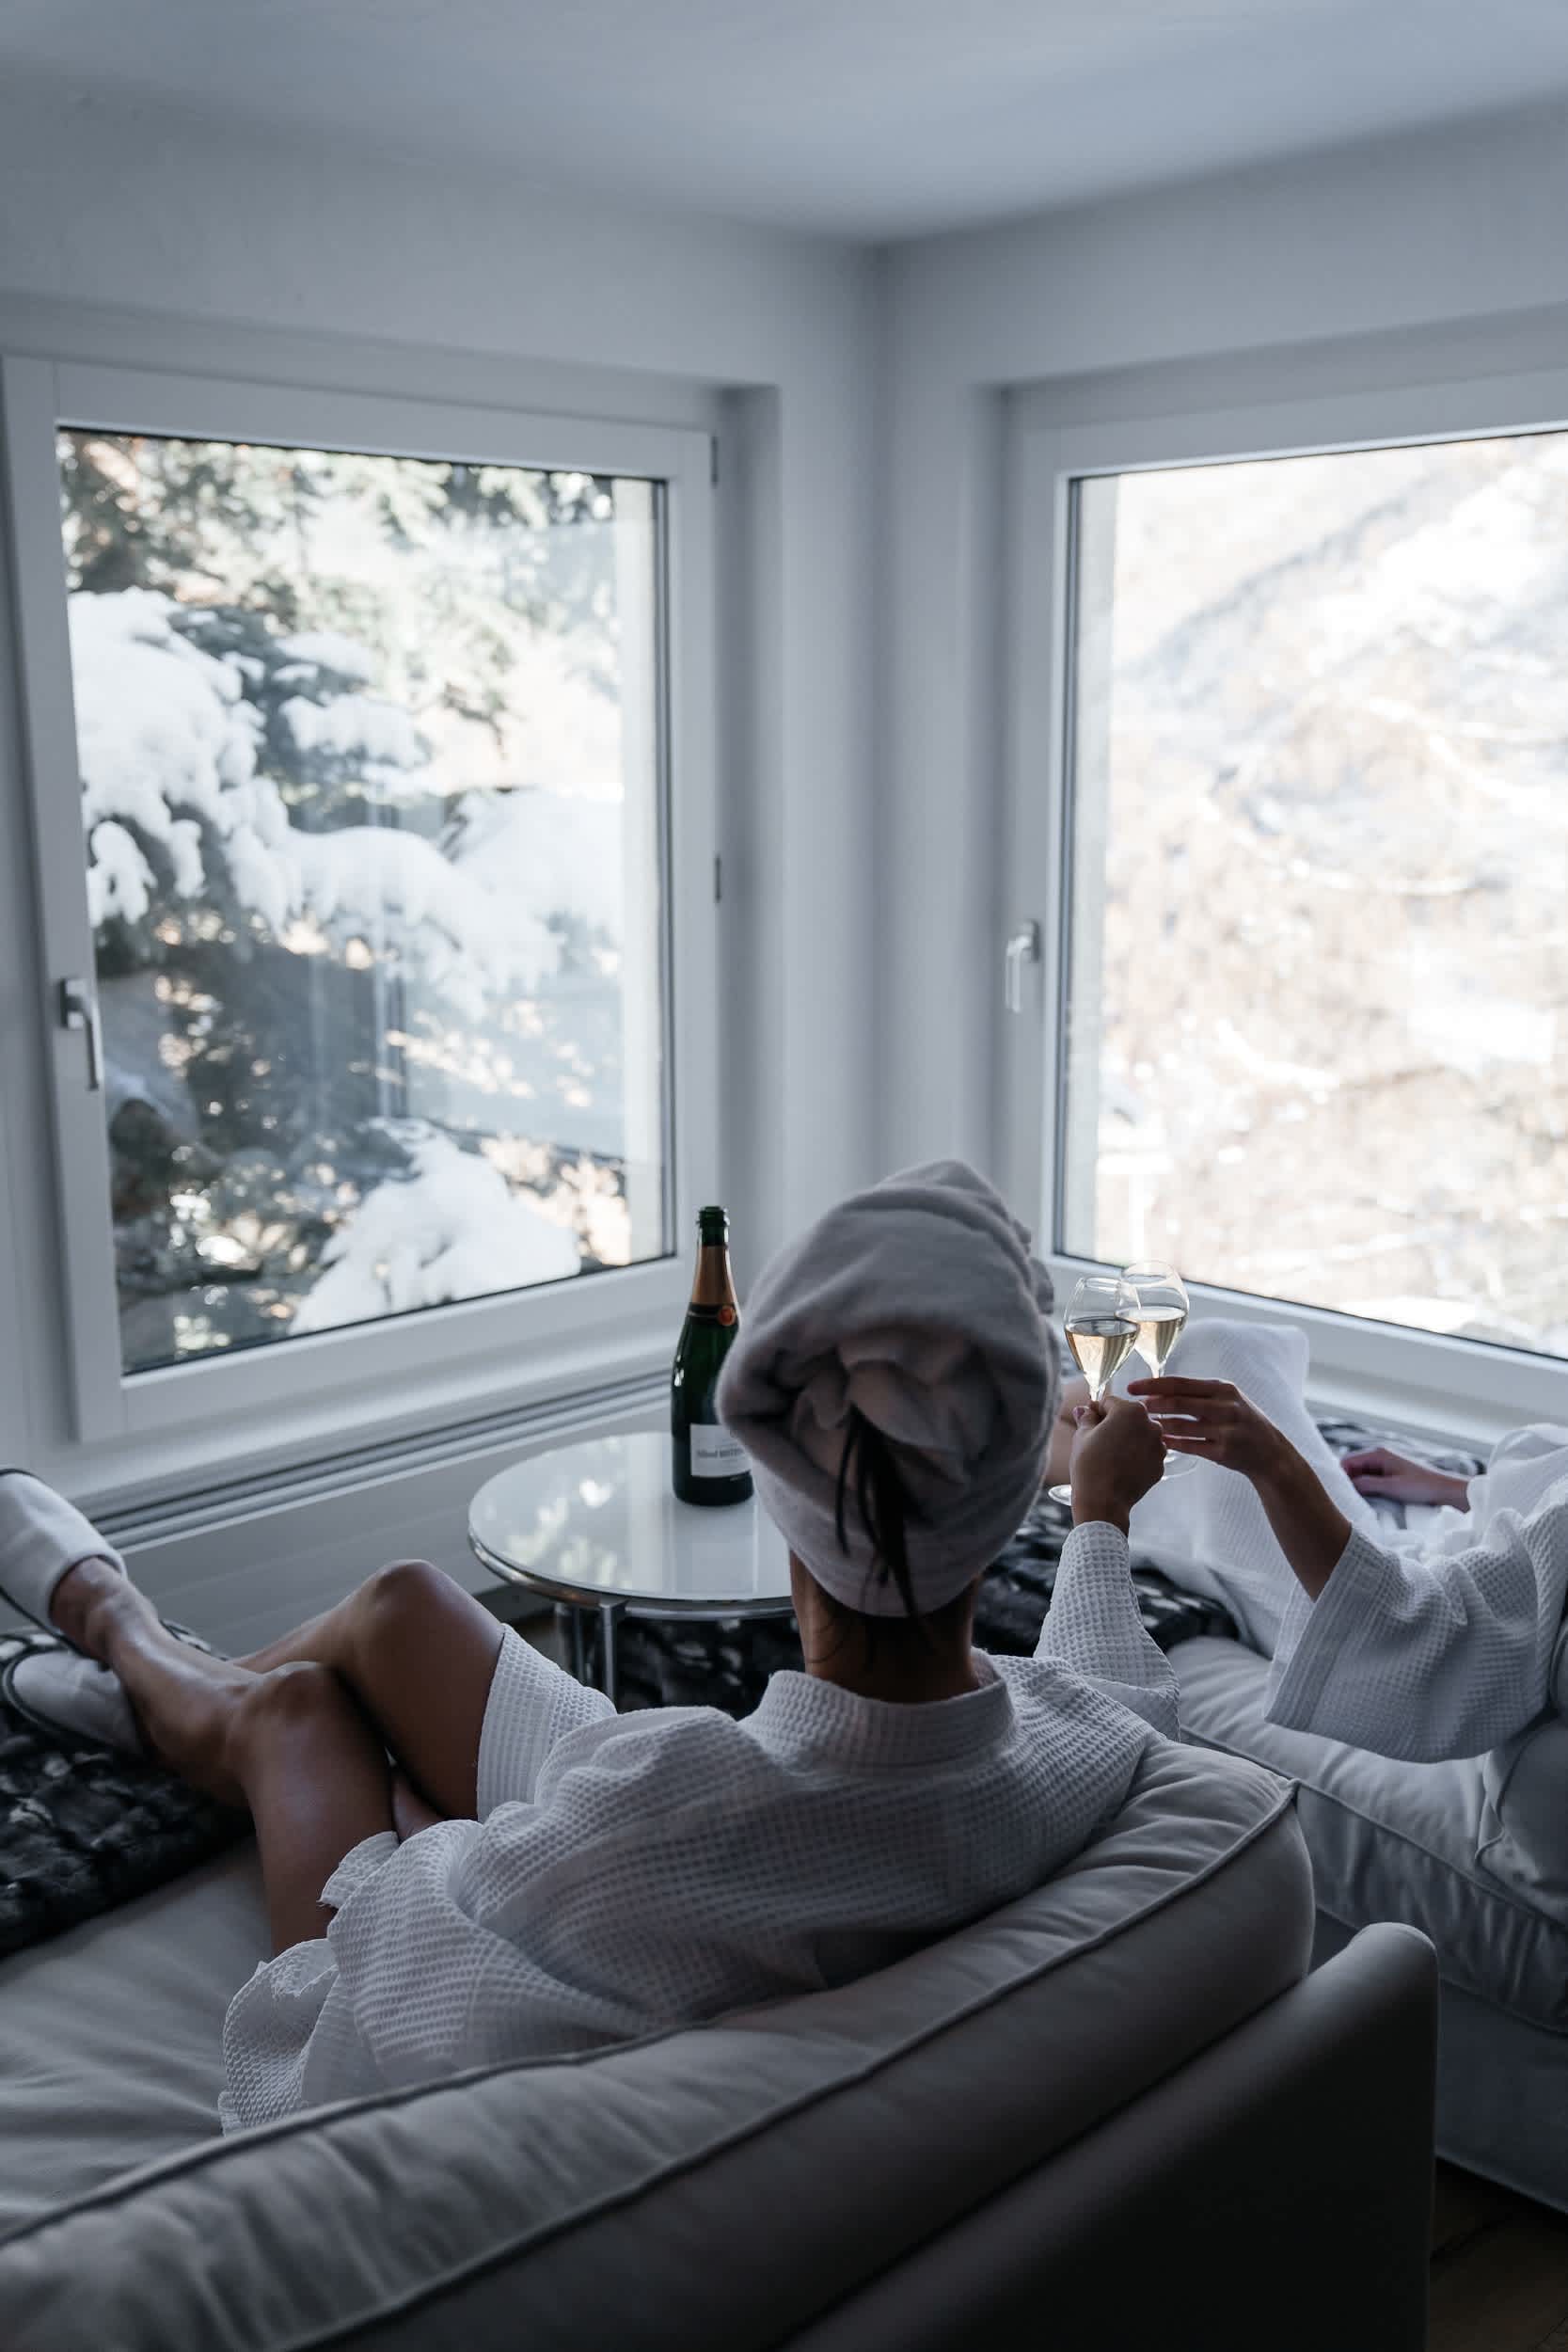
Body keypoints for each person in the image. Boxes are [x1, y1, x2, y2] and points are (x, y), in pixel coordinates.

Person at [0, 1161, 1180, 2135]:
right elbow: (1116, 1685)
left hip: (416, 1975)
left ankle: (122, 1630)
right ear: (1000, 1507)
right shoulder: (1076, 1744)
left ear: (781, 1493)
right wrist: (1098, 1515)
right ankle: (168, 1695)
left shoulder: (653, 1810)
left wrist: (414, 1833)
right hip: (790, 1815)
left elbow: (361, 2040)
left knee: (305, 1711)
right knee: (405, 1607)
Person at [1089, 1318, 1568, 1766]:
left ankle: (1073, 1410)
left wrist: (1275, 1466)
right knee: (1216, 1356)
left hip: (1360, 1585)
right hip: (1444, 1528)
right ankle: (1079, 1402)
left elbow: (1424, 1641)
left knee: (1220, 1350)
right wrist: (1454, 1488)